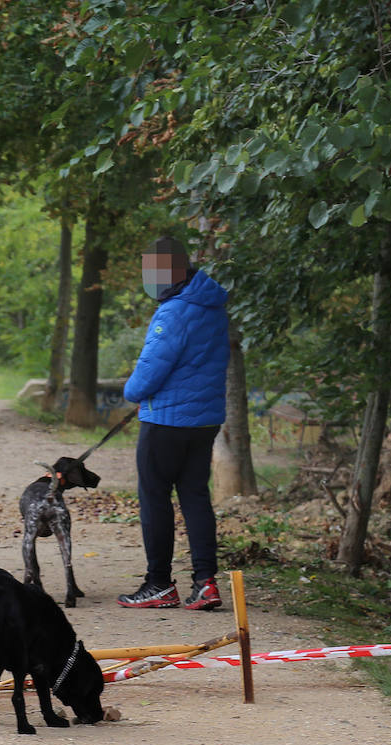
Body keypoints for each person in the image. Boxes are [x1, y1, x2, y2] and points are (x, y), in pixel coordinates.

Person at [116, 235, 229, 611]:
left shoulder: (174, 311)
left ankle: (159, 584)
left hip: (167, 421)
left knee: (155, 498)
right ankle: (206, 582)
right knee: (195, 496)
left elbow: (150, 369)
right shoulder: (212, 306)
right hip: (205, 421)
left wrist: (132, 392)